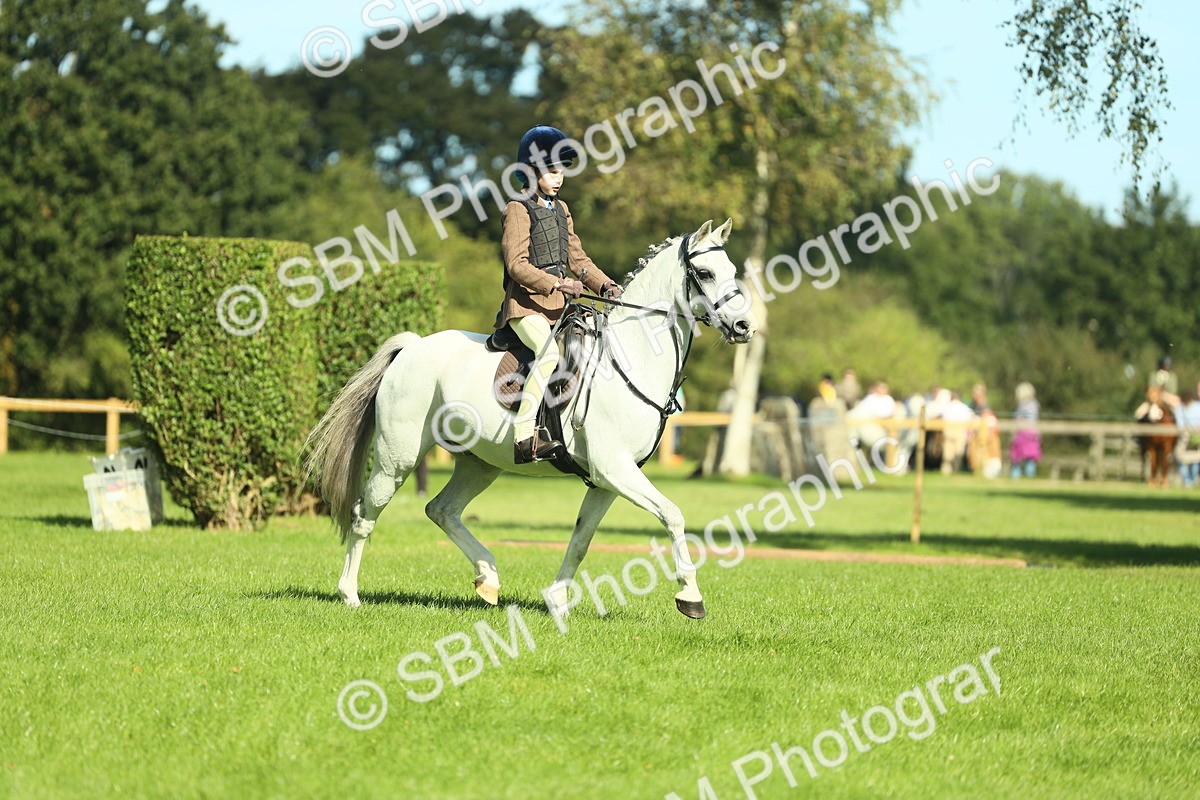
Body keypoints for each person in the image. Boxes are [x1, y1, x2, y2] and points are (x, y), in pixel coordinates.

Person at [496, 125, 623, 463]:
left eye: (562, 169)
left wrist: (605, 284)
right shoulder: (517, 208)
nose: (559, 177)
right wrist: (558, 284)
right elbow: (516, 266)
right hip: (525, 308)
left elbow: (578, 260)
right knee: (550, 355)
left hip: (560, 308)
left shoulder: (562, 209)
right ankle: (523, 437)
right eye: (552, 170)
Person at [1009, 382, 1042, 478]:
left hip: (1023, 434)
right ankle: (1029, 477)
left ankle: (1016, 477)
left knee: (1017, 457)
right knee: (1030, 458)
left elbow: (1019, 419)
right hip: (1033, 434)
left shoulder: (1024, 406)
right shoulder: (1034, 405)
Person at [1175, 389, 1200, 488]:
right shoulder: (1180, 408)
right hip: (1188, 435)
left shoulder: (1181, 408)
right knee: (1185, 457)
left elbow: (1180, 424)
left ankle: (1189, 480)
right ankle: (1189, 479)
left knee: (1195, 458)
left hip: (1193, 435)